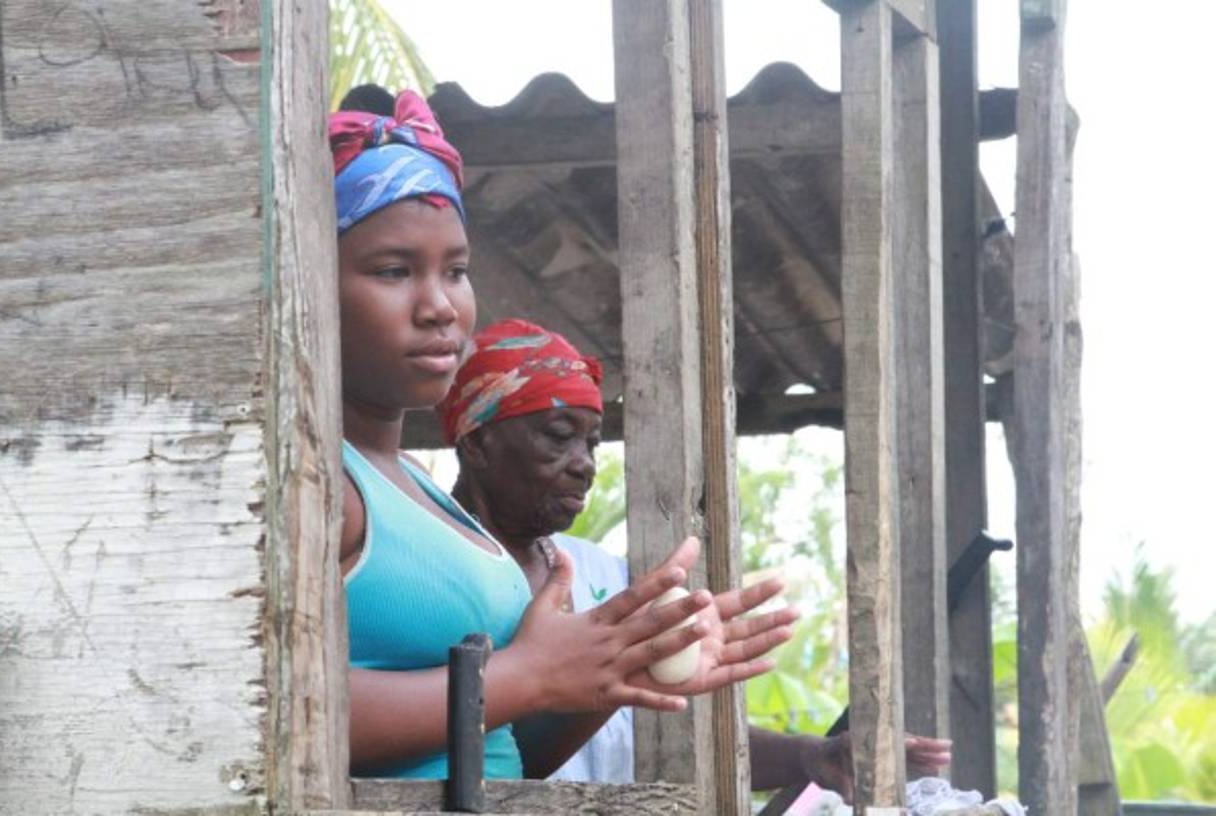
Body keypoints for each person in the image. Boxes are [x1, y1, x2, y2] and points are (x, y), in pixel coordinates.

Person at [330, 87, 795, 781]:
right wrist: (531, 677)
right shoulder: (317, 479)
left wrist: (615, 666)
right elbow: (273, 714)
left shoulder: (418, 489)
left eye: (455, 270)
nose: (439, 306)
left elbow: (502, 754)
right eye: (394, 271)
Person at [436, 318, 953, 798]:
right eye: (559, 436)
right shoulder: (430, 575)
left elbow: (683, 742)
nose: (585, 466)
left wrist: (811, 757)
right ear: (478, 442)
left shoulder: (610, 582)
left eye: (592, 443)